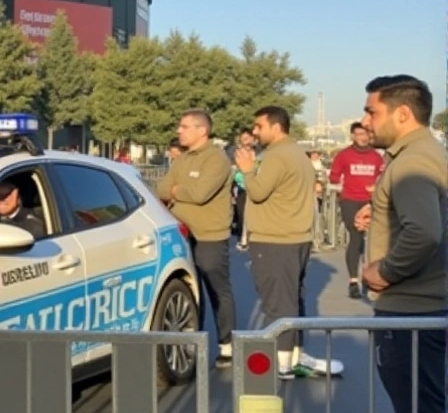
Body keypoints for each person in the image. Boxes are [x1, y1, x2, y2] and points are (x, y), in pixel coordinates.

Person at [354, 75, 446, 413]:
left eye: (372, 112)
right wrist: (379, 213)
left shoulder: (413, 162)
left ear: (403, 113)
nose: (365, 122)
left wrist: (385, 271)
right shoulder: (424, 155)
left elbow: (424, 232)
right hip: (423, 307)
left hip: (412, 311)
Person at [235, 105, 342, 379]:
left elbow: (257, 192)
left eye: (259, 126)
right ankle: (294, 356)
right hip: (296, 238)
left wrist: (246, 170)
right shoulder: (297, 154)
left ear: (276, 126)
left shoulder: (277, 156)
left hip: (275, 240)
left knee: (278, 304)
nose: (255, 132)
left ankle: (281, 364)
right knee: (292, 299)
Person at [156, 109, 237, 366]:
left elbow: (202, 193)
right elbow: (160, 189)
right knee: (190, 291)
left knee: (217, 290)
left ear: (202, 130)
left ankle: (228, 345)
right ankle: (194, 344)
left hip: (209, 236)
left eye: (184, 126)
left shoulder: (217, 160)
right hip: (182, 234)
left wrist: (177, 190)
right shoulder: (182, 159)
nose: (178, 131)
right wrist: (180, 190)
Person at [328, 121, 385, 299]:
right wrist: (338, 180)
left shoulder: (377, 157)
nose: (362, 137)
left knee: (376, 240)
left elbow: (383, 178)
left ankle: (373, 277)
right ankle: (353, 281)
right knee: (356, 237)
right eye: (359, 134)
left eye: (365, 134)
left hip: (372, 201)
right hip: (350, 201)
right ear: (353, 136)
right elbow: (334, 177)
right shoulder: (344, 155)